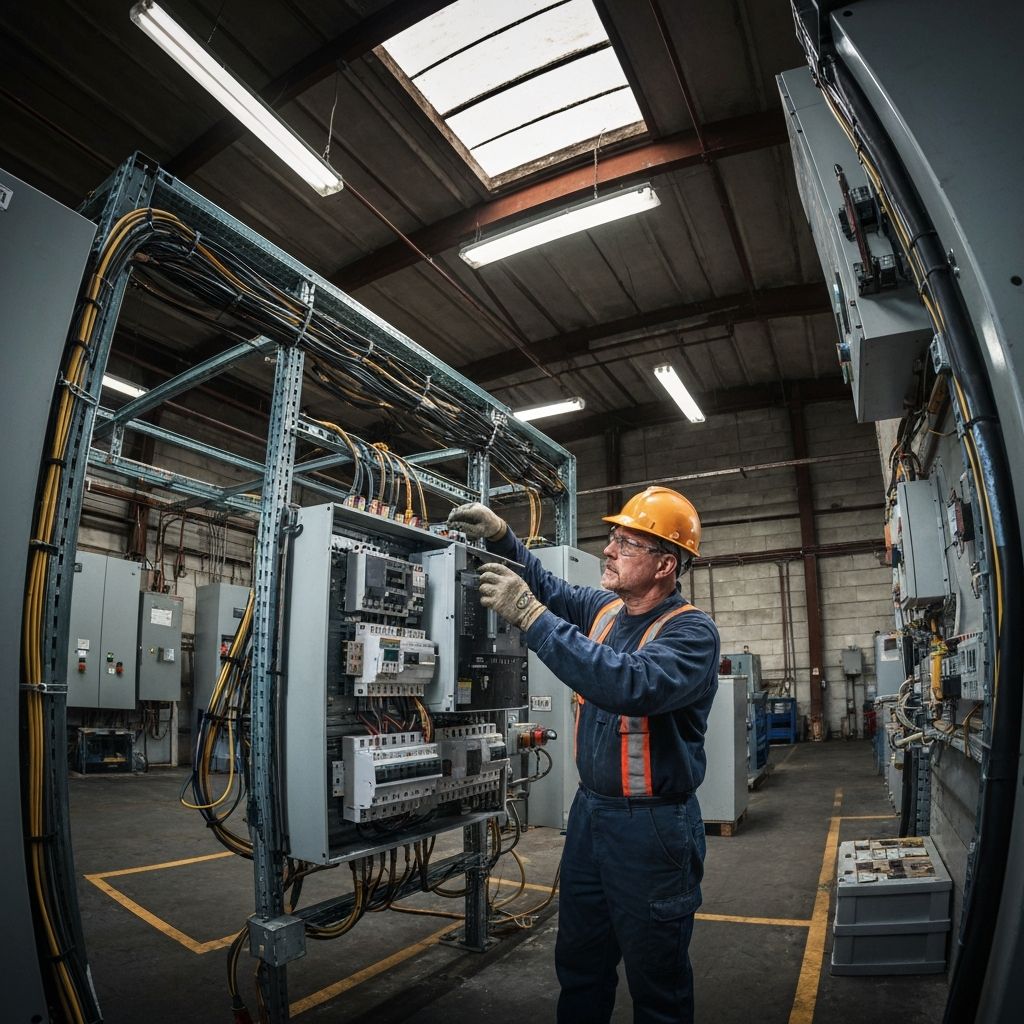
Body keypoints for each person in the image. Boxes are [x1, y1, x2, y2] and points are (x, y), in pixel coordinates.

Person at [447, 486, 720, 1024]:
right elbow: (545, 586)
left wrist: (529, 615)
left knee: (656, 981)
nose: (609, 552)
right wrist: (502, 537)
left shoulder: (692, 633)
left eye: (626, 544)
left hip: (653, 829)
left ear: (666, 564)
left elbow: (628, 684)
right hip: (592, 816)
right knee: (580, 963)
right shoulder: (606, 609)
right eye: (612, 539)